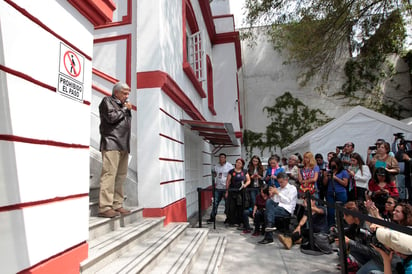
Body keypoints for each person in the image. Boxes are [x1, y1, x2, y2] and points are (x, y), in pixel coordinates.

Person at [98, 82, 132, 218]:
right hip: (111, 143)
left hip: (123, 145)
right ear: (116, 92)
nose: (127, 95)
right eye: (124, 93)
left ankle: (117, 204)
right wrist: (124, 109)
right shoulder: (107, 101)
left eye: (128, 93)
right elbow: (111, 118)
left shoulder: (124, 106)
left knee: (120, 176)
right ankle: (105, 207)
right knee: (109, 175)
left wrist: (125, 109)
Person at [258, 172, 297, 244]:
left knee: (268, 212)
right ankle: (270, 226)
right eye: (279, 182)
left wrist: (278, 193)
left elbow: (288, 201)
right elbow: (275, 202)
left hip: (287, 209)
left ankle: (268, 236)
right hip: (277, 208)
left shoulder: (292, 188)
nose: (280, 184)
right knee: (269, 203)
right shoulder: (278, 188)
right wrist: (272, 195)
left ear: (286, 180)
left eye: (281, 182)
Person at [207, 153, 234, 224]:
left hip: (226, 188)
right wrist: (214, 174)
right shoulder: (217, 166)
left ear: (225, 158)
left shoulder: (229, 166)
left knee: (227, 204)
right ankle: (212, 217)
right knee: (215, 203)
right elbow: (215, 174)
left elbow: (231, 176)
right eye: (220, 157)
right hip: (218, 187)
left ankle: (228, 218)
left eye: (223, 157)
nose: (221, 159)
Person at [324, 157, 349, 228]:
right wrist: (325, 176)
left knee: (341, 211)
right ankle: (331, 226)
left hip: (340, 192)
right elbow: (325, 183)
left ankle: (342, 226)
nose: (333, 167)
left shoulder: (343, 172)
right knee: (331, 211)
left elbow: (345, 183)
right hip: (330, 192)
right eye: (332, 166)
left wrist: (335, 178)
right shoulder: (329, 172)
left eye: (334, 166)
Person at [225, 158, 251, 227]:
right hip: (232, 191)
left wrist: (245, 185)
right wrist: (227, 191)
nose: (238, 164)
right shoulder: (231, 171)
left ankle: (241, 221)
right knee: (232, 207)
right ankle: (232, 221)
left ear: (242, 165)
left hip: (241, 192)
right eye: (237, 162)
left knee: (241, 206)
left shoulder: (244, 171)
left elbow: (248, 180)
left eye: (240, 163)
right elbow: (228, 181)